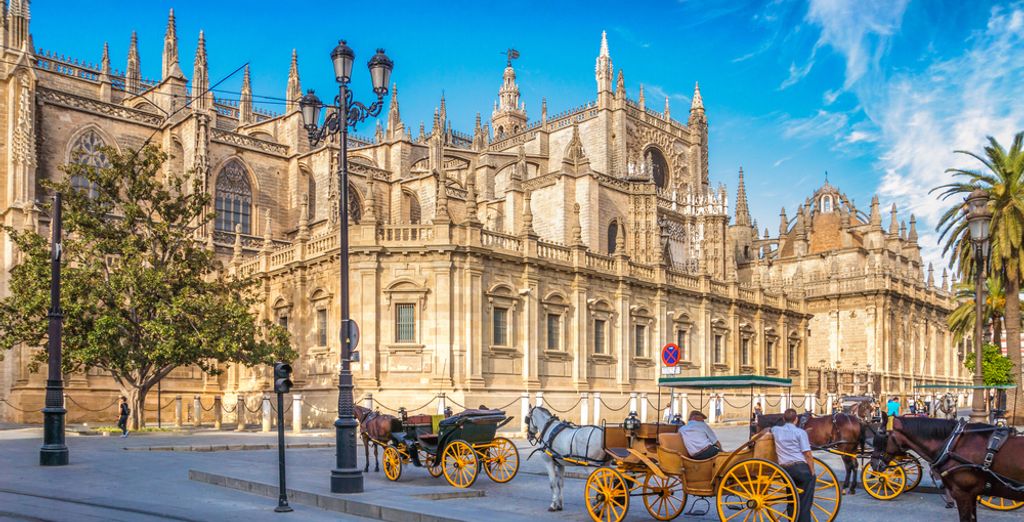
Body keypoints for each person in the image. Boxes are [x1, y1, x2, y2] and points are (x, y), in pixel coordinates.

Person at [772, 408, 815, 522]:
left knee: (791, 496)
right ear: (796, 419)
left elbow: (767, 430)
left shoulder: (776, 430)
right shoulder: (800, 432)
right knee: (805, 500)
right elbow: (808, 454)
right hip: (800, 468)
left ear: (783, 419)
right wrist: (812, 471)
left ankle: (792, 519)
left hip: (784, 470)